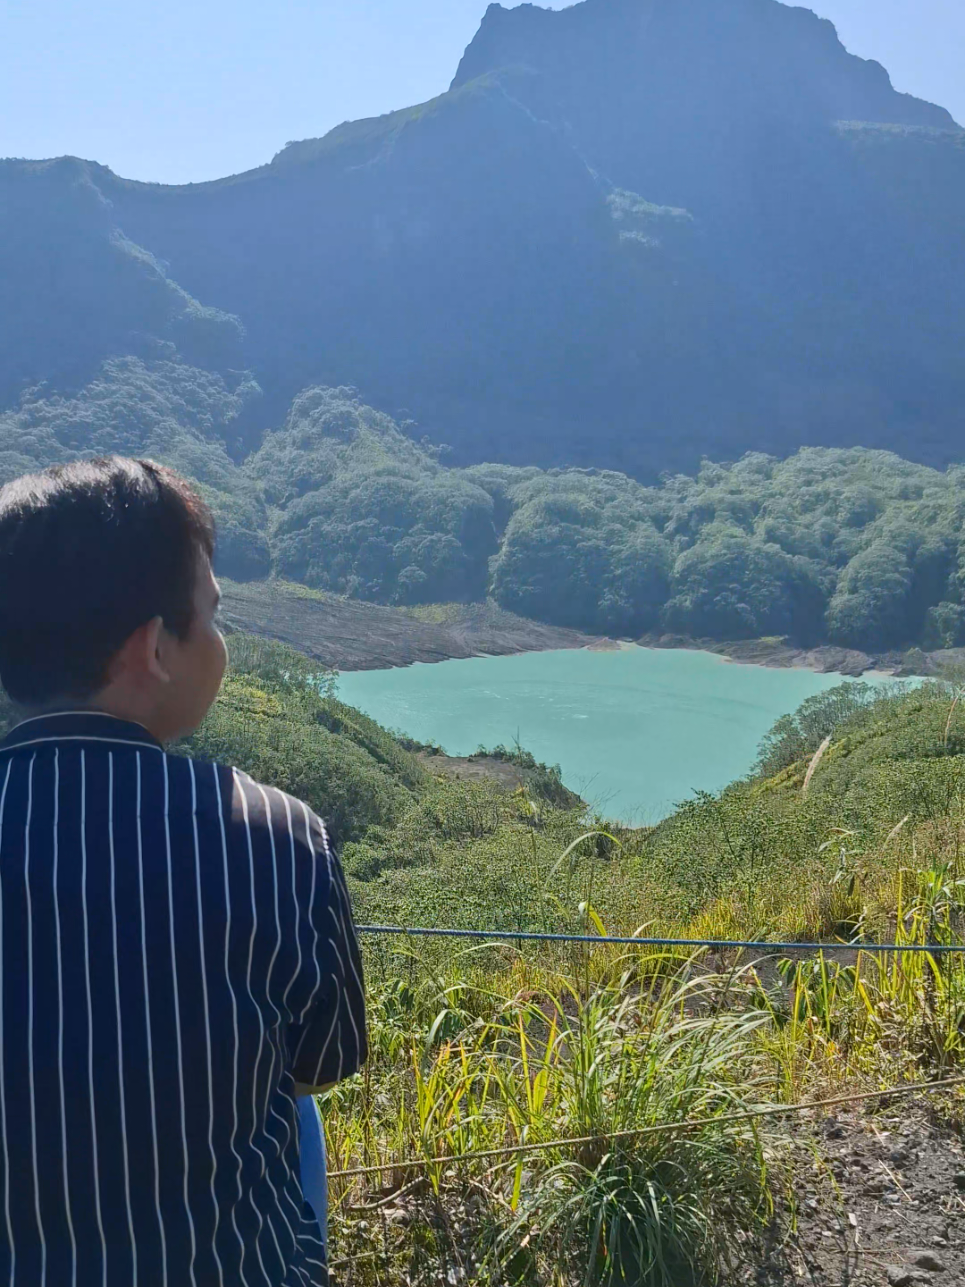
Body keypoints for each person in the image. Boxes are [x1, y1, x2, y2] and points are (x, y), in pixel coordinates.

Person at [0, 457, 366, 1286]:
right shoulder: (276, 837)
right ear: (152, 648)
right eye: (212, 613)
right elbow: (324, 1061)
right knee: (296, 1112)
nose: (221, 641)